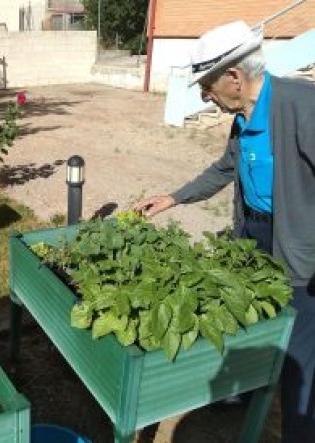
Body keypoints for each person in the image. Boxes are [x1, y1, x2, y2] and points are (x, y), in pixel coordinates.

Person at [133, 20, 315, 442]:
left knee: (300, 360)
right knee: (249, 319)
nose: (204, 96)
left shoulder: (302, 106)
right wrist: (174, 198)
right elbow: (226, 169)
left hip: (300, 250)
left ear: (234, 77)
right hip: (254, 237)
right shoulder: (243, 118)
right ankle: (244, 392)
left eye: (207, 86)